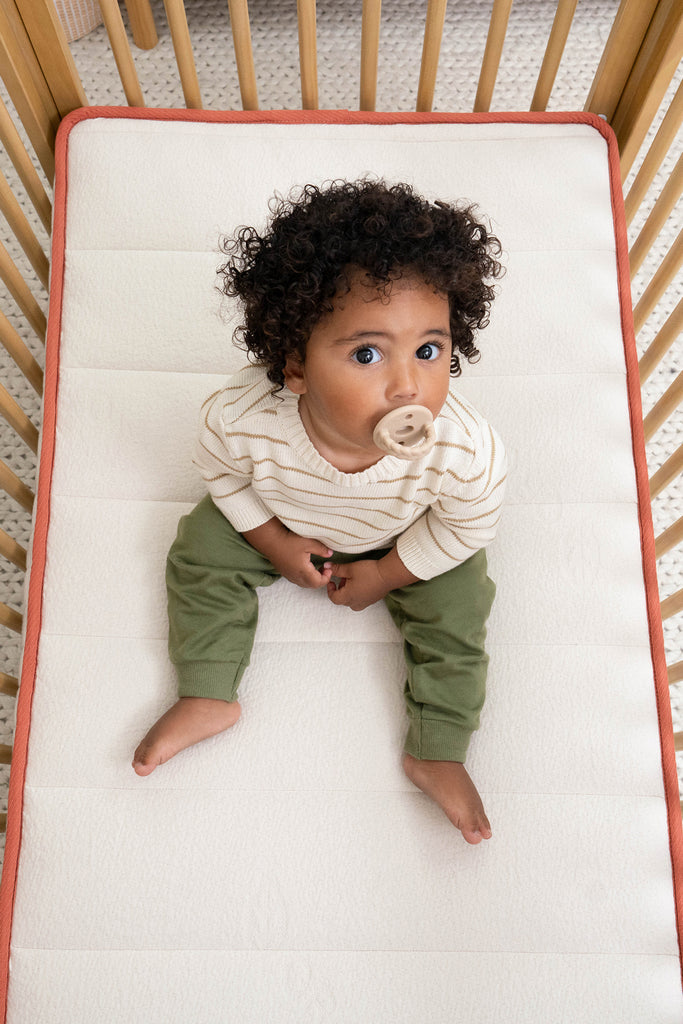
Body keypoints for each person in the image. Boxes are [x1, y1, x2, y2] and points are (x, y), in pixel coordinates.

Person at [133, 179, 506, 845]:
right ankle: (208, 690)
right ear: (295, 366)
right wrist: (272, 539)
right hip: (284, 514)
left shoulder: (461, 450)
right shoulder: (244, 419)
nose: (407, 384)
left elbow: (467, 526)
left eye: (429, 349)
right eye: (367, 353)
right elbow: (222, 474)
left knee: (461, 610)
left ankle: (439, 747)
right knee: (200, 550)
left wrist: (390, 572)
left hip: (407, 536)